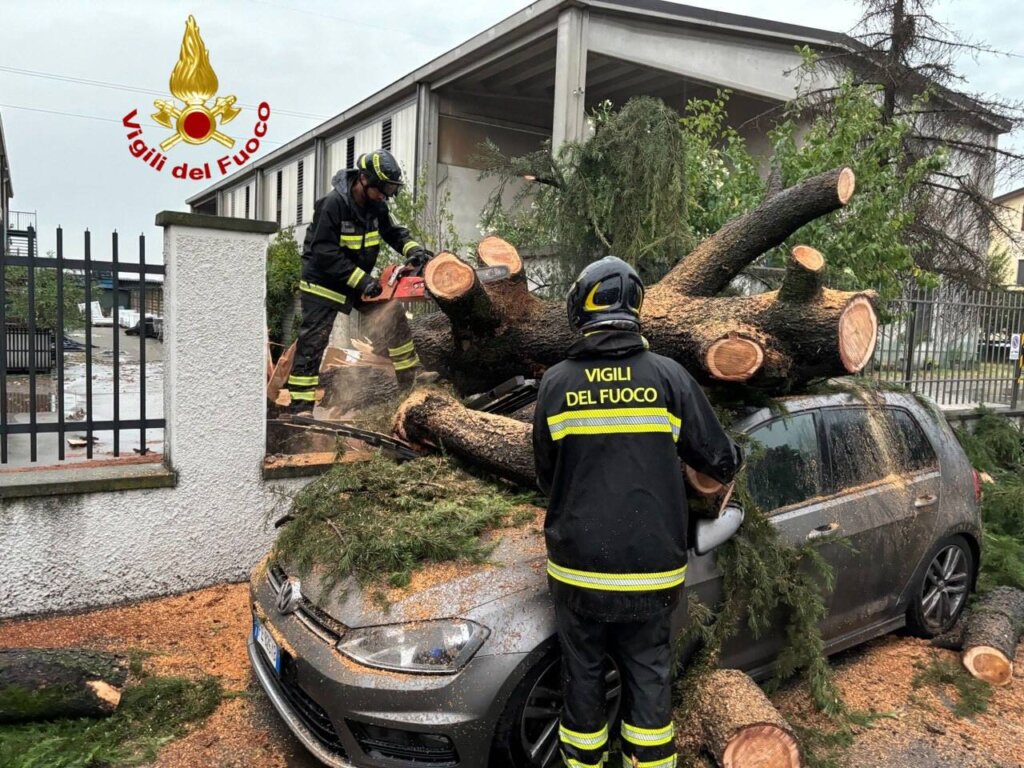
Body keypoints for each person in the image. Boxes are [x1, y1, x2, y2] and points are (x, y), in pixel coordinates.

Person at [532, 256, 742, 768]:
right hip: (652, 571)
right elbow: (720, 460)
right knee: (649, 676)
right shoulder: (669, 378)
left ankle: (584, 762)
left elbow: (545, 476)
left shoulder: (556, 384)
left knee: (582, 676)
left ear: (581, 309)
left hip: (578, 571)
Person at [284, 149, 430, 415]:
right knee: (314, 342)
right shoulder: (332, 204)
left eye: (391, 189)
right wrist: (362, 280)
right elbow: (324, 251)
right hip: (324, 283)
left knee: (394, 317)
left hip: (358, 281)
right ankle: (300, 410)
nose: (386, 195)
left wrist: (413, 249)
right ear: (364, 179)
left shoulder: (376, 206)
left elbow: (392, 232)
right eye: (383, 188)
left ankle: (410, 384)